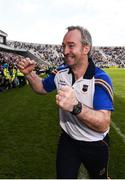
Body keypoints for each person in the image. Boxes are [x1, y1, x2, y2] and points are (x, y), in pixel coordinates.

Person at [17, 26, 114, 179]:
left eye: (71, 45)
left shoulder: (101, 79)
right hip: (68, 141)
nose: (65, 51)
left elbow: (103, 123)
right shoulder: (60, 72)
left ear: (85, 48)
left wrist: (75, 107)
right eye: (63, 46)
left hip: (95, 144)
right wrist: (29, 74)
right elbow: (42, 88)